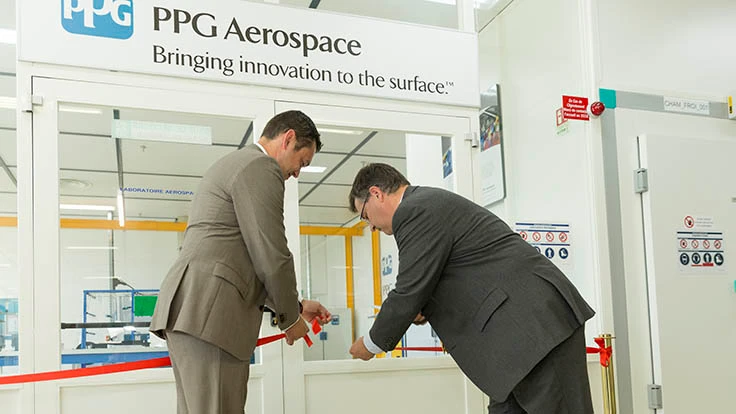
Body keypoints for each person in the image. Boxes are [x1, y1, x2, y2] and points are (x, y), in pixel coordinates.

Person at [347, 163, 595, 414]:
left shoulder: (414, 210)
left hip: (534, 329)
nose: (371, 227)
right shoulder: (426, 205)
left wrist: (370, 344)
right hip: (513, 340)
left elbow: (408, 290)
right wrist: (422, 309)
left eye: (365, 216)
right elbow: (437, 281)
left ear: (376, 194)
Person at [150, 110, 332, 413]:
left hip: (196, 312)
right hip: (211, 318)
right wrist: (291, 319)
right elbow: (272, 253)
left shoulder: (234, 164)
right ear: (288, 139)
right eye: (301, 162)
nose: (297, 173)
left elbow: (239, 258)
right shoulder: (260, 166)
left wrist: (297, 306)